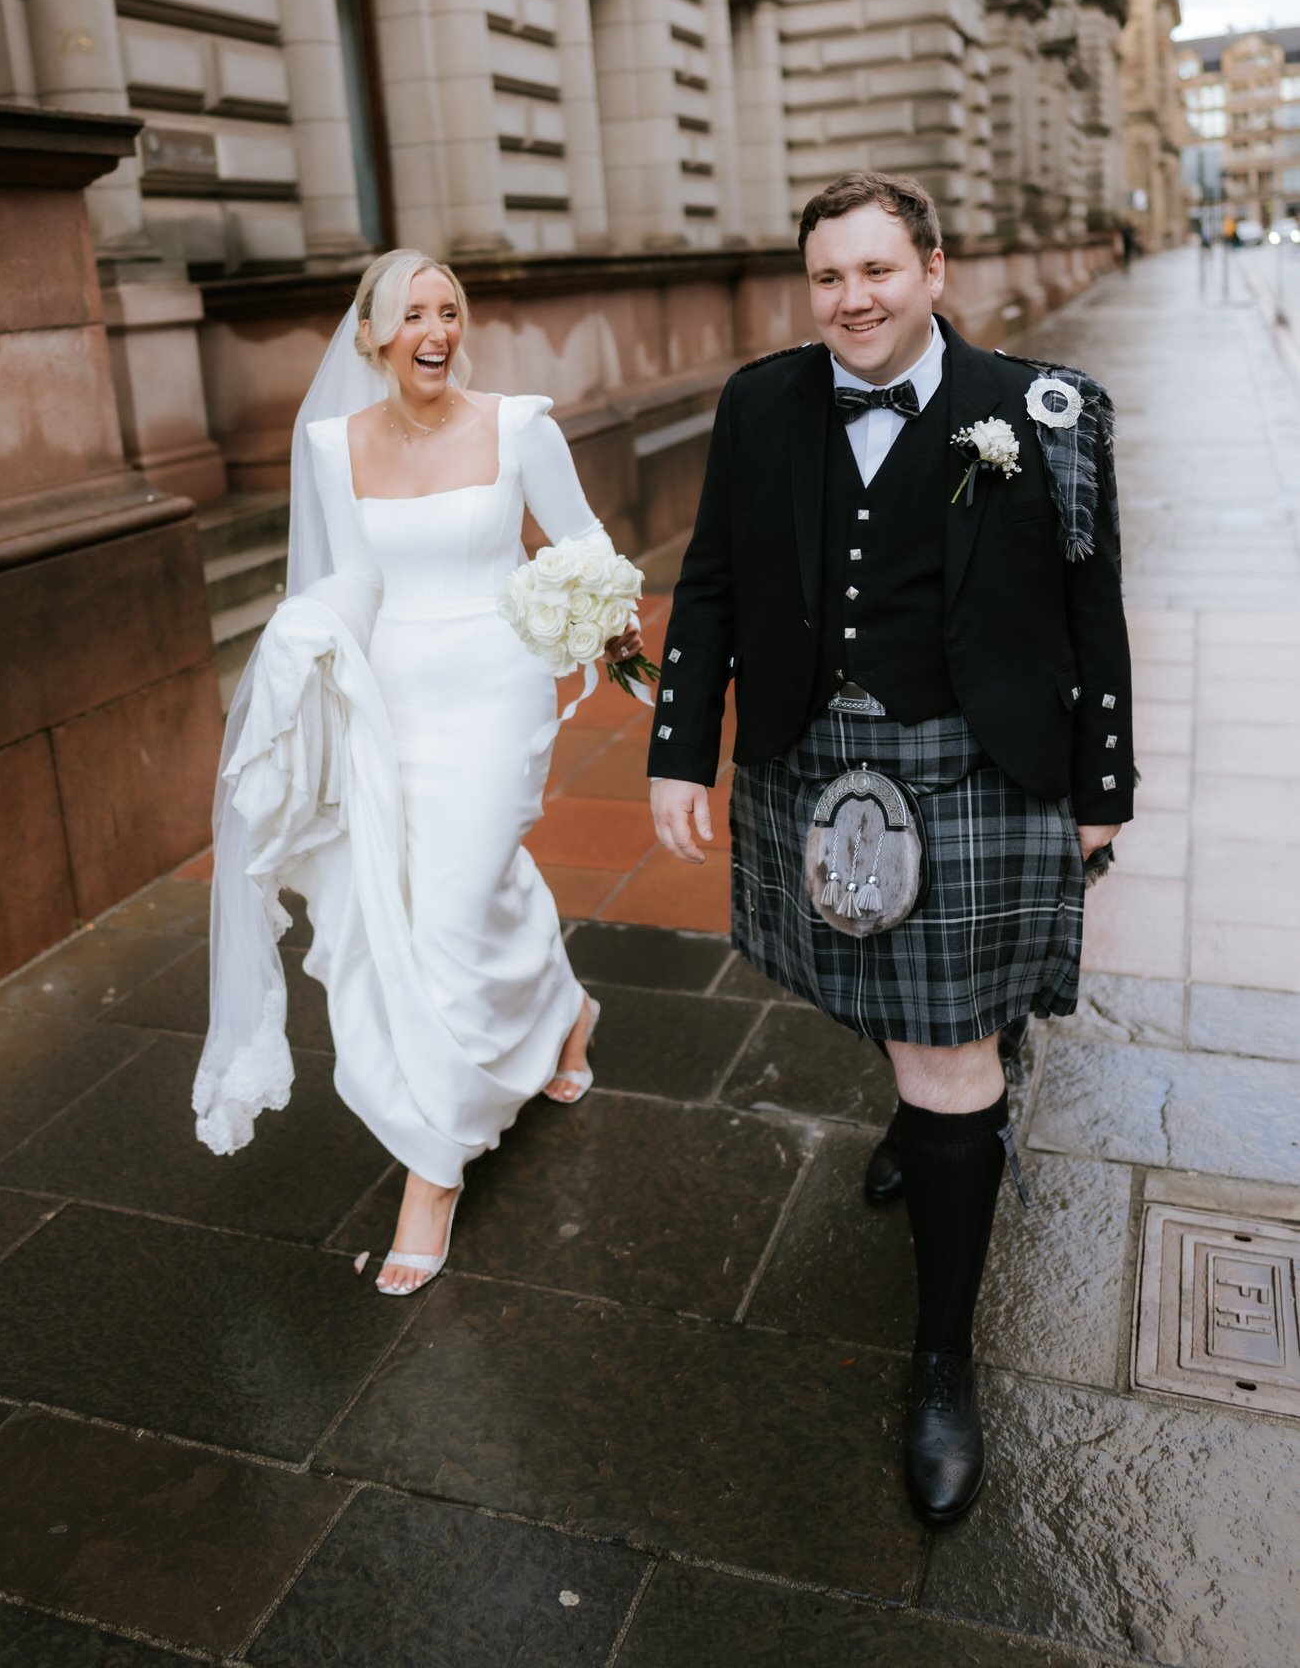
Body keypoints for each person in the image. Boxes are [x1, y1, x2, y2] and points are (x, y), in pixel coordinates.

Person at [647, 172, 1133, 1523]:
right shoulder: (760, 403)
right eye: (827, 277)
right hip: (812, 754)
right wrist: (681, 745)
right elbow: (712, 580)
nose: (852, 299)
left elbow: (1091, 601)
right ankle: (937, 1096)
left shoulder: (1043, 410)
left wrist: (1103, 779)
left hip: (970, 759)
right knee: (874, 995)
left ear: (931, 268)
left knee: (946, 1050)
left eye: (877, 270)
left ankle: (939, 1364)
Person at [193, 249, 639, 1295]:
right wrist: (298, 658)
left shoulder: (519, 424)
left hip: (495, 692)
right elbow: (346, 582)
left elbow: (583, 545)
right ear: (372, 335)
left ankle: (433, 1165)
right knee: (437, 895)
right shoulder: (328, 444)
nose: (434, 329)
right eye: (412, 313)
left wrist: (597, 627)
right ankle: (566, 1007)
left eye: (449, 310)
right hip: (390, 699)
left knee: (445, 906)